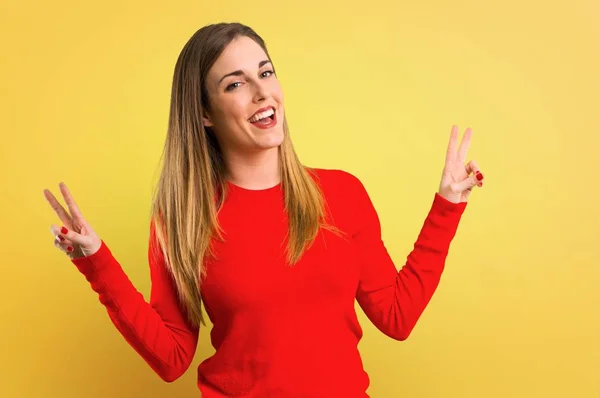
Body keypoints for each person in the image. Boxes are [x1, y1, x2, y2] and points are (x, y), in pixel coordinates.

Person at [43, 22, 485, 398]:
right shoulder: (183, 220)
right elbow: (172, 357)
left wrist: (448, 204)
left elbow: (397, 315)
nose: (261, 93)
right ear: (204, 114)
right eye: (235, 84)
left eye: (266, 73)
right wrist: (95, 260)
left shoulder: (342, 193)